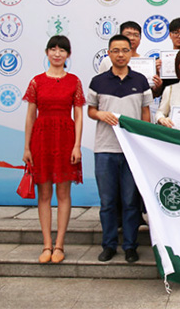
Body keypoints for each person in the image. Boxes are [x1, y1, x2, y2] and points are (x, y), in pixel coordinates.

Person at [87, 34, 153, 263]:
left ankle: (130, 246)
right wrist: (100, 114)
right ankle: (109, 245)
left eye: (125, 50)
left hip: (132, 151)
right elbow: (90, 110)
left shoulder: (141, 80)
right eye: (115, 50)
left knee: (130, 202)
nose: (120, 54)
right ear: (109, 53)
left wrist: (143, 142)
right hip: (105, 149)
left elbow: (145, 114)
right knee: (107, 202)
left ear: (131, 53)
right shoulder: (98, 81)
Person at [23, 35, 85, 264]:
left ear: (68, 55)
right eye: (53, 49)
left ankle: (60, 245)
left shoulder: (74, 81)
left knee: (63, 194)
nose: (57, 54)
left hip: (66, 140)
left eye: (62, 50)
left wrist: (77, 145)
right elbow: (30, 116)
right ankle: (46, 244)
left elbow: (79, 116)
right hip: (41, 140)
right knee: (44, 194)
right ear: (47, 52)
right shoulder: (36, 82)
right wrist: (27, 147)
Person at [98, 21, 163, 96]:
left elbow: (152, 94)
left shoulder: (147, 63)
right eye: (128, 34)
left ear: (140, 39)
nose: (132, 38)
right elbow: (100, 86)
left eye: (136, 35)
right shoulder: (107, 61)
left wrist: (157, 87)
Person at [156, 17, 180, 89]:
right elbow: (156, 91)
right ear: (170, 35)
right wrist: (157, 72)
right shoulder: (161, 60)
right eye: (176, 32)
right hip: (168, 94)